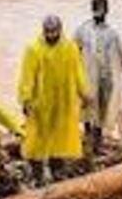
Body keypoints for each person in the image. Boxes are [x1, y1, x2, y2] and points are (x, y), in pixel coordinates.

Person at [18, 15, 91, 182]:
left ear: (60, 30)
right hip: (40, 103)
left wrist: (84, 93)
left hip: (62, 103)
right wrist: (26, 99)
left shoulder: (70, 48)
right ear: (43, 31)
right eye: (48, 32)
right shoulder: (33, 49)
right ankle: (37, 175)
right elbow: (26, 76)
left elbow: (78, 72)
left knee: (59, 140)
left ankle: (56, 173)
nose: (51, 35)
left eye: (54, 32)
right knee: (36, 140)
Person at [73, 0, 122, 156]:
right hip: (87, 78)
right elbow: (72, 54)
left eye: (102, 9)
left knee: (102, 113)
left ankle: (96, 144)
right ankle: (89, 143)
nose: (99, 12)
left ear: (107, 11)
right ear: (92, 10)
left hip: (106, 79)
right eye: (96, 9)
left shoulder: (112, 34)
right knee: (88, 112)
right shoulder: (83, 30)